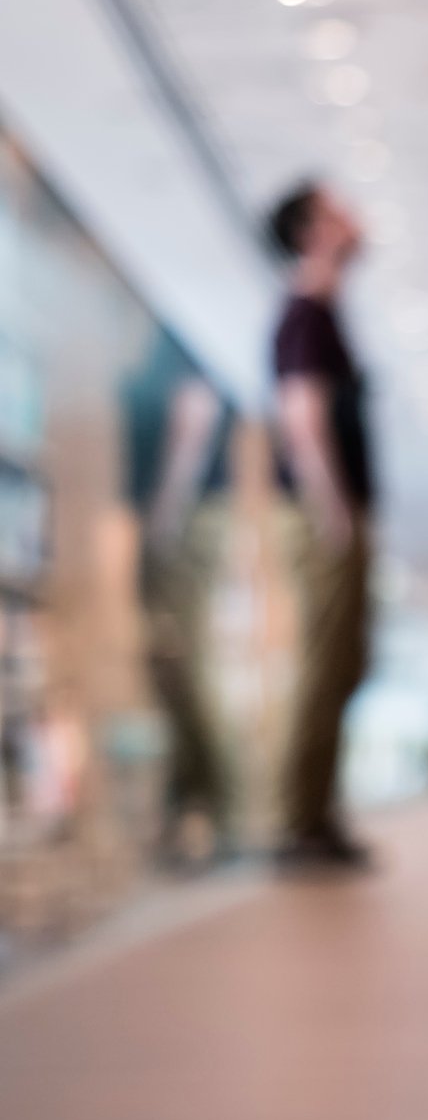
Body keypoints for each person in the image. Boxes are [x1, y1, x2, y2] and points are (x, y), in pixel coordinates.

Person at [265, 182, 376, 866]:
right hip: (324, 514)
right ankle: (302, 825)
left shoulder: (323, 315)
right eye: (337, 210)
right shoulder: (304, 314)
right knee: (326, 661)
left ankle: (316, 817)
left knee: (343, 662)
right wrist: (335, 512)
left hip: (332, 512)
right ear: (310, 232)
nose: (354, 217)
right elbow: (302, 422)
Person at [121, 331, 235, 865]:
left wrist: (164, 520)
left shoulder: (178, 351)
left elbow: (192, 429)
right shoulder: (180, 352)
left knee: (181, 673)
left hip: (179, 527)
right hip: (181, 526)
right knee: (178, 677)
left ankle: (201, 812)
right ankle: (194, 812)